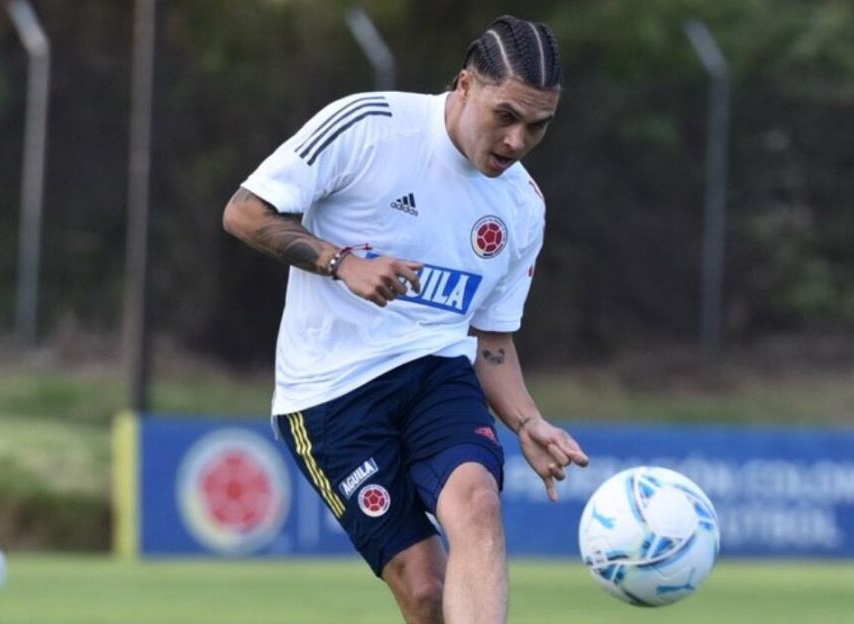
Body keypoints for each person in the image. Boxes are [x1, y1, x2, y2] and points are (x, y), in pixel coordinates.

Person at [223, 15, 587, 623]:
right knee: (424, 593)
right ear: (465, 84)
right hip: (329, 394)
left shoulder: (522, 206)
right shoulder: (369, 126)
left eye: (538, 127)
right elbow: (244, 212)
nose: (517, 141)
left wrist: (525, 421)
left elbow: (492, 340)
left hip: (436, 373)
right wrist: (339, 262)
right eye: (506, 116)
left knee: (477, 507)